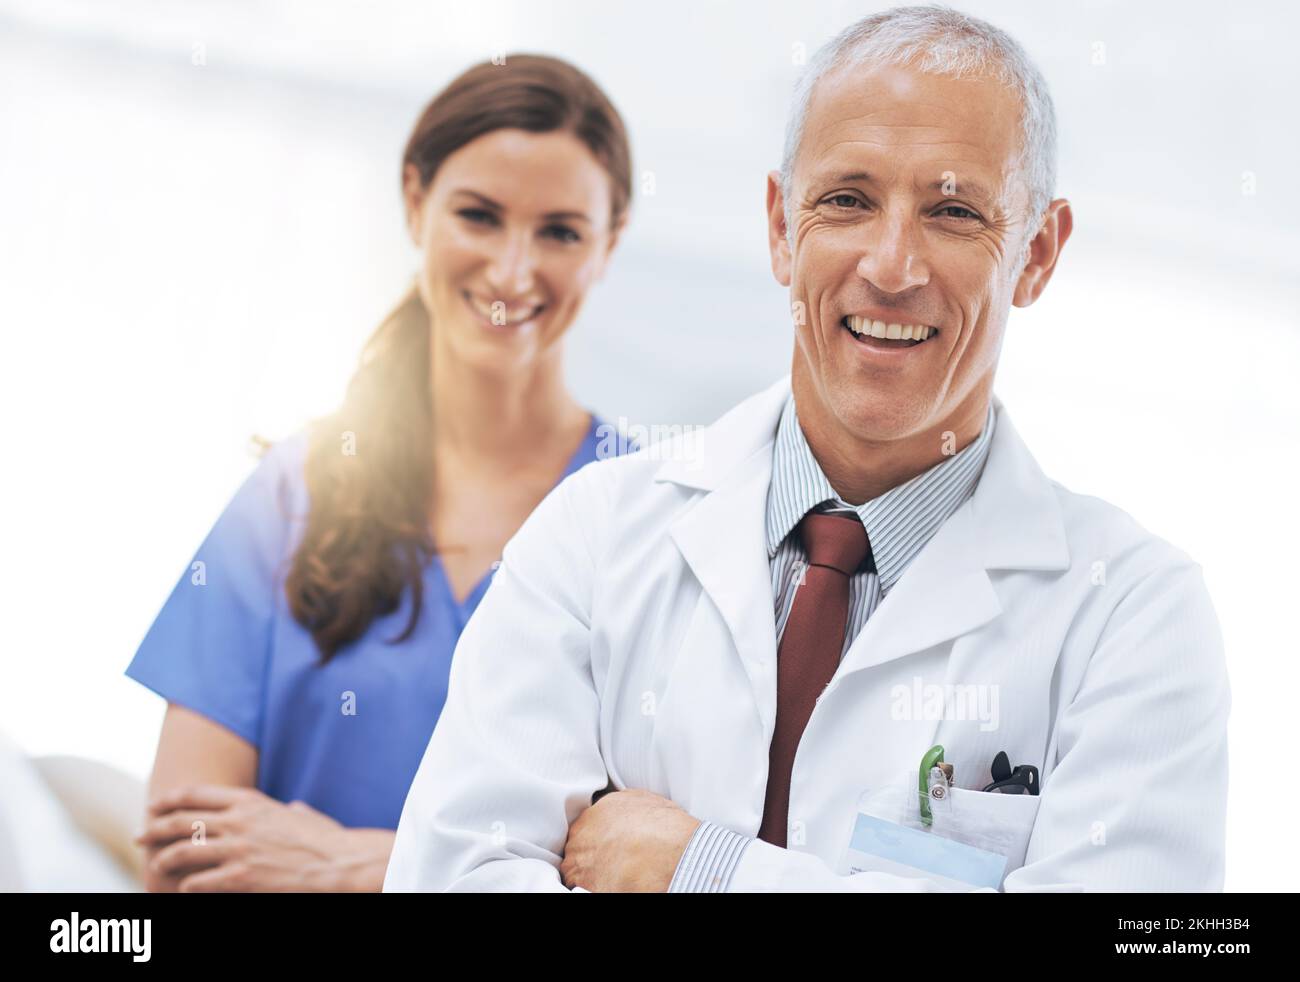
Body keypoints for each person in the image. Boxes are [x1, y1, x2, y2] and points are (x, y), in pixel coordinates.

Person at [384, 6, 1229, 893]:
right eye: (848, 201)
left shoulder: (1134, 615)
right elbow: (449, 875)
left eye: (952, 211)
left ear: (1037, 254)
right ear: (783, 226)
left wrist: (701, 870)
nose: (893, 266)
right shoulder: (594, 535)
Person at [125, 53, 634, 892]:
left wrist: (358, 867)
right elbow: (184, 853)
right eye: (478, 215)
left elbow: (632, 865)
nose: (512, 271)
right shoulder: (295, 492)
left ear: (608, 246)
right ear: (414, 203)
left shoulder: (641, 517)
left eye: (560, 232)